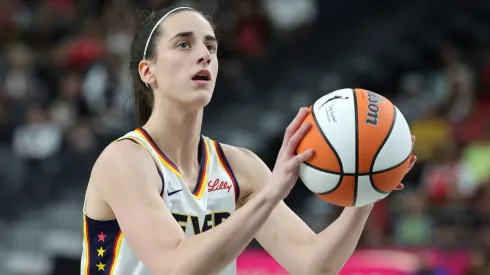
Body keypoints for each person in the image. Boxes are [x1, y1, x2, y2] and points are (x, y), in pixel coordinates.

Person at [80, 6, 416, 275]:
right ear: (147, 71)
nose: (204, 55)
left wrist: (369, 184)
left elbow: (315, 264)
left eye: (210, 46)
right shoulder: (125, 160)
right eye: (184, 44)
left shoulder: (239, 166)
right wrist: (271, 193)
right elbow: (175, 267)